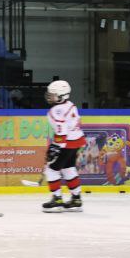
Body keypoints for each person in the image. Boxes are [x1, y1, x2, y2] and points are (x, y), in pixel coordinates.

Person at [42, 79, 85, 212]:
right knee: (68, 168)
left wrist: (55, 147)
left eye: (53, 94)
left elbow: (61, 131)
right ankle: (76, 199)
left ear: (62, 96)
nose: (50, 96)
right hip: (76, 141)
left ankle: (57, 200)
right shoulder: (70, 104)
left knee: (51, 170)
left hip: (65, 144)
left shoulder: (57, 110)